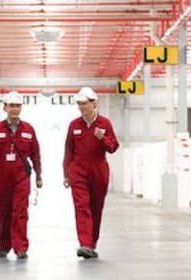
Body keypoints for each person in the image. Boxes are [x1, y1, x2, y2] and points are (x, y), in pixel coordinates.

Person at [0, 91, 42, 259]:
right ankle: (4, 245)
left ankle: (21, 247)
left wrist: (38, 175)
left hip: (22, 176)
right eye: (12, 106)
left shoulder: (28, 129)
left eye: (18, 106)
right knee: (3, 211)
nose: (15, 109)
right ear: (5, 108)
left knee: (20, 211)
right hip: (2, 178)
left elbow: (36, 154)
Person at [63, 87, 118, 259]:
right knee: (81, 207)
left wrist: (103, 138)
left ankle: (92, 244)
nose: (81, 107)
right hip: (78, 171)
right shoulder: (74, 125)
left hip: (99, 171)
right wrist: (66, 174)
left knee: (96, 208)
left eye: (84, 103)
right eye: (79, 104)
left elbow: (113, 147)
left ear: (94, 103)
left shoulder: (105, 123)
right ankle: (84, 243)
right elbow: (68, 151)